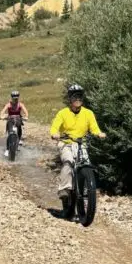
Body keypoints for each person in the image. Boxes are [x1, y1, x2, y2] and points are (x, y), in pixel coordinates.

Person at [50, 83, 106, 213]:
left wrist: (99, 133)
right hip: (66, 143)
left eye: (80, 96)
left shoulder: (88, 113)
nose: (77, 99)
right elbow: (54, 127)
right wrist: (55, 134)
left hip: (82, 144)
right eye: (75, 96)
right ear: (70, 98)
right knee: (68, 162)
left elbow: (94, 128)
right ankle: (64, 190)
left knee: (86, 163)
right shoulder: (62, 113)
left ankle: (86, 188)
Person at [0, 90, 28, 156]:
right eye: (14, 98)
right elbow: (3, 111)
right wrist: (2, 116)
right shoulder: (8, 104)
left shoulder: (20, 104)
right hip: (10, 119)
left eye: (17, 98)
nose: (15, 99)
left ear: (18, 97)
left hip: (18, 119)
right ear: (11, 97)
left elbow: (25, 111)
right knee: (10, 134)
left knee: (19, 131)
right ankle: (7, 149)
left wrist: (26, 116)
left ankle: (18, 141)